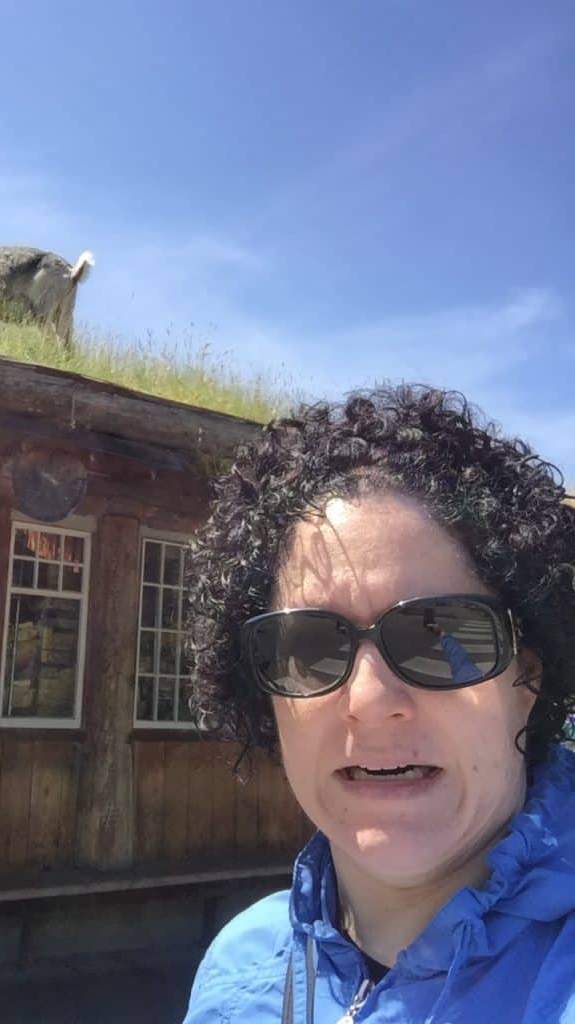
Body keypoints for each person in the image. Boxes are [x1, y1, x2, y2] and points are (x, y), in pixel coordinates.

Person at [182, 385, 575, 1024]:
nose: (368, 700)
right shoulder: (241, 968)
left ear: (526, 676)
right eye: (308, 645)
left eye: (440, 635)